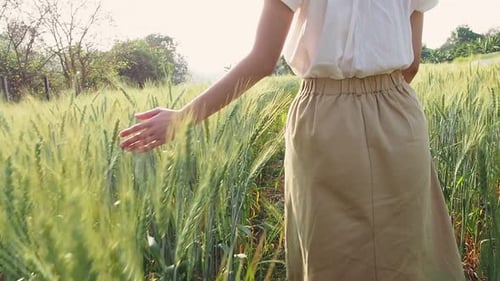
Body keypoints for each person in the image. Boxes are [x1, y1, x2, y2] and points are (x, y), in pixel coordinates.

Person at [119, 0, 465, 280]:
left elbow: (261, 61)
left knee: (330, 254)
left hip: (325, 118)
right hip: (398, 114)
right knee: (407, 250)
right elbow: (412, 65)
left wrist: (182, 118)